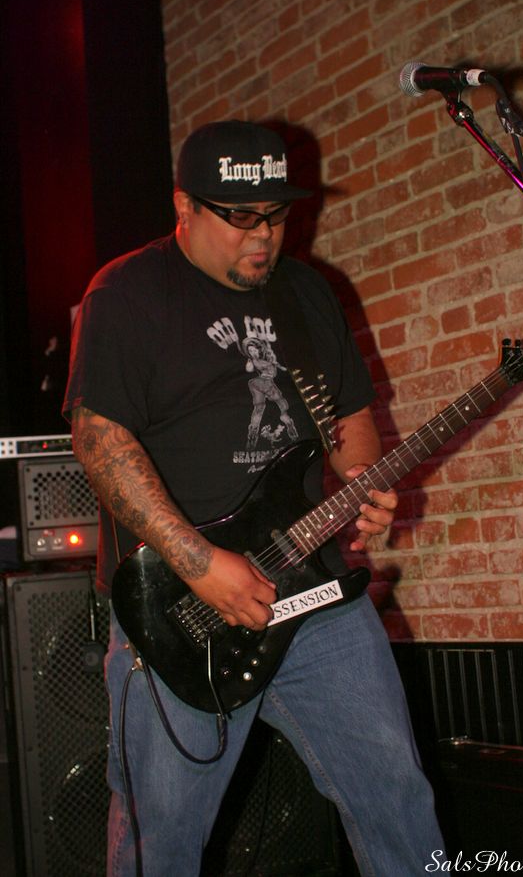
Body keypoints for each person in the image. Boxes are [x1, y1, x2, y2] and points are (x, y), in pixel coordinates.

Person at [63, 120, 446, 876]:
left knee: (398, 798)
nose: (263, 237)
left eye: (275, 215)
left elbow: (350, 416)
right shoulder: (129, 291)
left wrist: (364, 481)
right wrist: (200, 563)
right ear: (184, 205)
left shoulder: (305, 292)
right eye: (240, 218)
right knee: (162, 842)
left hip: (316, 595)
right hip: (181, 612)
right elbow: (99, 440)